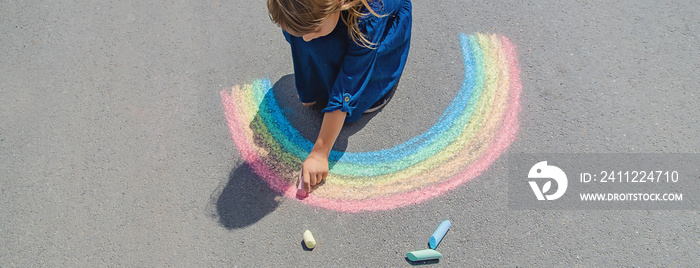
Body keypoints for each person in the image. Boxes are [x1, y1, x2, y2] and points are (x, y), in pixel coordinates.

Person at [267, 0, 412, 193]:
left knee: (355, 98)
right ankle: (318, 80)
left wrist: (320, 152)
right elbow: (307, 31)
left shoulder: (371, 14)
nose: (308, 38)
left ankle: (377, 87)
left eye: (315, 30)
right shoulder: (304, 11)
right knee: (305, 37)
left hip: (376, 31)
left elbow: (351, 79)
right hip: (333, 15)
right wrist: (309, 83)